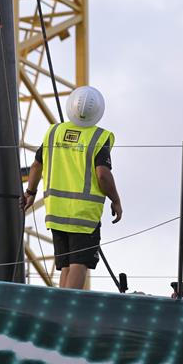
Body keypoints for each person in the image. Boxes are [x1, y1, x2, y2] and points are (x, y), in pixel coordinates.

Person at [20, 86, 122, 289]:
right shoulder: (99, 137)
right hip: (83, 215)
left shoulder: (54, 132)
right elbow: (103, 174)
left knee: (66, 266)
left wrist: (30, 193)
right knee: (79, 264)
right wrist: (116, 200)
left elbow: (36, 165)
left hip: (56, 212)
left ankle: (59, 310)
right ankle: (67, 312)